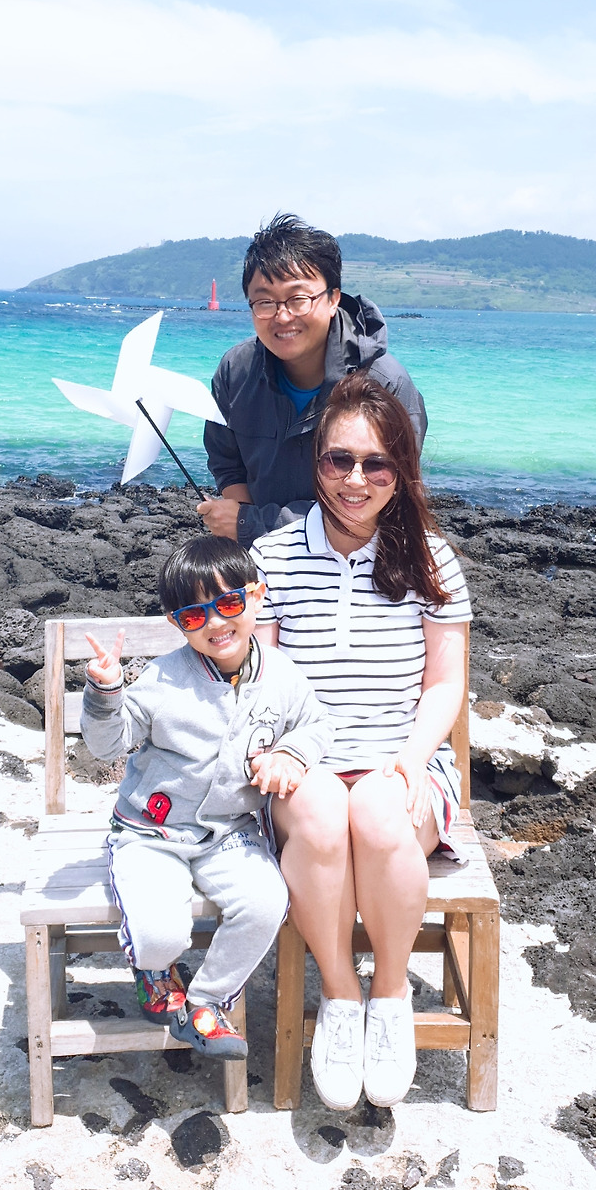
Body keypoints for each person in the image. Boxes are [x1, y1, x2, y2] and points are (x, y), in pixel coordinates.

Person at [251, 375, 470, 1109]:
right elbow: (260, 679)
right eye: (338, 459)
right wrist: (277, 750)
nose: (355, 479)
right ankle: (341, 995)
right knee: (320, 815)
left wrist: (409, 763)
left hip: (403, 762)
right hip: (304, 764)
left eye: (376, 463)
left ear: (401, 469)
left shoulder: (432, 558)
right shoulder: (274, 556)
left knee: (377, 811)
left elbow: (444, 684)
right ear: (315, 462)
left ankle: (391, 995)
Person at [80, 535, 332, 1058]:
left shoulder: (282, 675)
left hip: (231, 833)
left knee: (266, 904)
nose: (216, 622)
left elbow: (315, 725)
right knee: (158, 936)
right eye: (195, 615)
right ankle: (154, 969)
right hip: (150, 834)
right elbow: (108, 745)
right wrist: (107, 692)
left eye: (229, 603)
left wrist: (290, 754)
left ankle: (207, 1000)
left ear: (257, 596)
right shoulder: (162, 679)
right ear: (177, 624)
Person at [199, 213, 427, 547]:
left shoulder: (385, 385)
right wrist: (250, 531)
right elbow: (226, 460)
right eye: (265, 302)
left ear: (333, 299)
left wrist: (253, 524)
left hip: (357, 559)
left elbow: (383, 499)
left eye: (298, 299)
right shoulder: (236, 371)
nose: (282, 316)